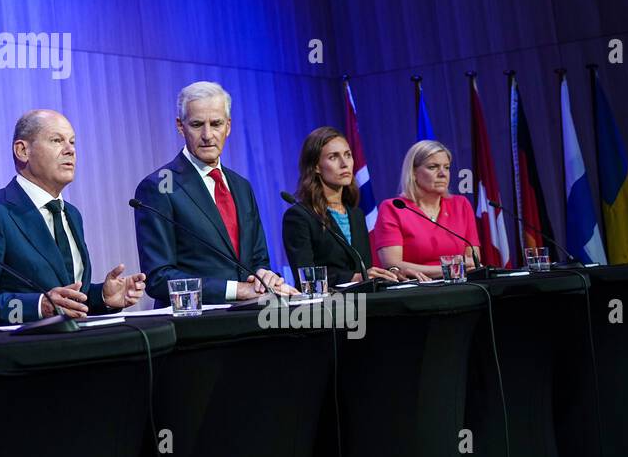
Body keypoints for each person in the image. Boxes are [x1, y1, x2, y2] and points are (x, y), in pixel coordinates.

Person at [0, 109, 146, 326]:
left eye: (72, 142)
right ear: (22, 150)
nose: (70, 150)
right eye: (56, 140)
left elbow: (64, 298)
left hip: (74, 347)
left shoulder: (71, 214)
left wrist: (102, 297)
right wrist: (37, 305)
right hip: (22, 352)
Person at [134, 81, 295, 305]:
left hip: (251, 318)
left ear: (228, 126)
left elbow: (258, 259)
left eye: (216, 123)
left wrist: (264, 276)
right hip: (196, 325)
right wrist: (235, 290)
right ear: (180, 126)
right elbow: (159, 279)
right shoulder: (159, 186)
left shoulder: (241, 186)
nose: (208, 135)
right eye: (197, 124)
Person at [281, 127, 404, 287]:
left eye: (348, 155)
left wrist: (390, 273)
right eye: (333, 157)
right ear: (316, 166)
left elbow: (364, 268)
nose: (344, 164)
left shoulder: (356, 214)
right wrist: (355, 278)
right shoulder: (299, 216)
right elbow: (307, 279)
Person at [372, 140, 480, 278]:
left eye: (446, 167)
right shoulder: (394, 208)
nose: (443, 174)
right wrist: (449, 269)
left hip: (459, 286)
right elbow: (393, 264)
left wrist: (453, 269)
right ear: (413, 173)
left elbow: (473, 262)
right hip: (416, 289)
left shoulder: (461, 205)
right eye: (433, 167)